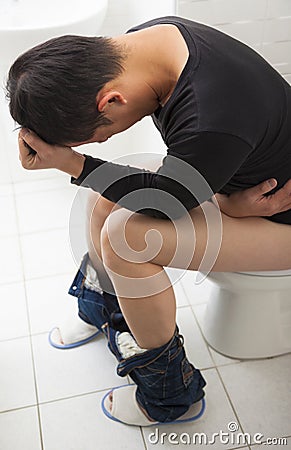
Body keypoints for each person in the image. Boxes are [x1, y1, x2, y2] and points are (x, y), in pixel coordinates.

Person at [6, 16, 291, 426]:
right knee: (102, 197)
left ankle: (171, 397)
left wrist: (74, 162)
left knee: (127, 238)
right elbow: (181, 181)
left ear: (110, 100)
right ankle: (107, 312)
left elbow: (164, 204)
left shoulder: (212, 112)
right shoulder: (151, 42)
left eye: (97, 135)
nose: (101, 141)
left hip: (279, 215)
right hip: (238, 178)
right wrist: (224, 198)